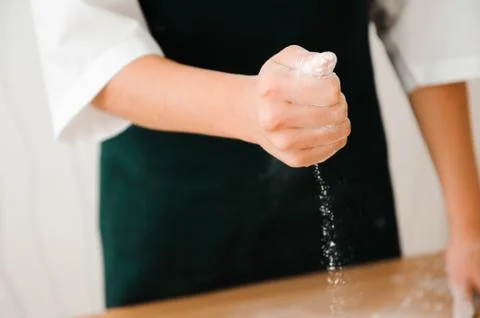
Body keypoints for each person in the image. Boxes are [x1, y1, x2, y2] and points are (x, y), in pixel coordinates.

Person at [31, 0, 480, 309]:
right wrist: (252, 108)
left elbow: (424, 20)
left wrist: (469, 226)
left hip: (346, 186)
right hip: (174, 217)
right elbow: (87, 49)